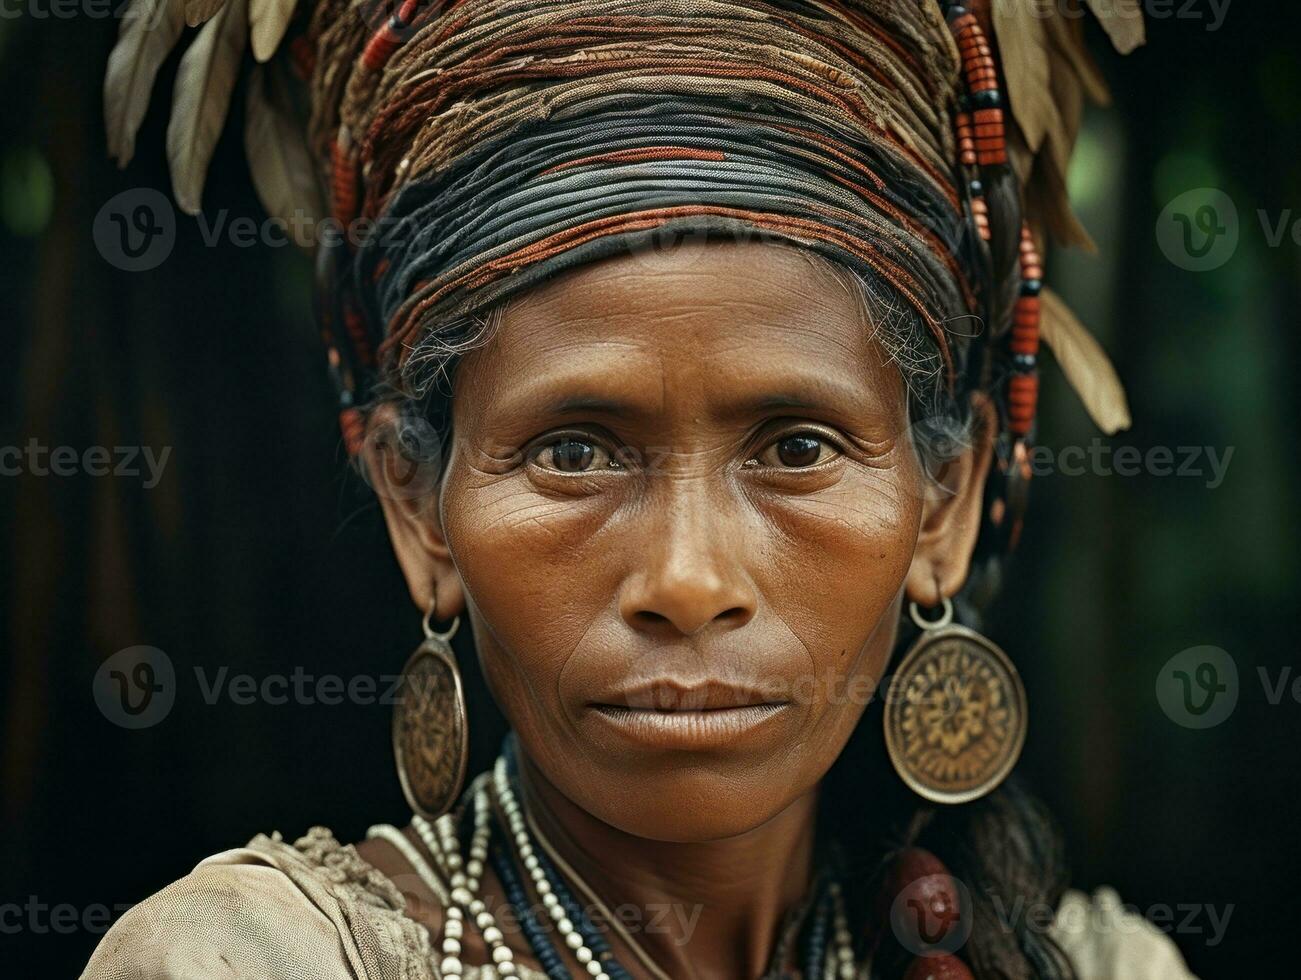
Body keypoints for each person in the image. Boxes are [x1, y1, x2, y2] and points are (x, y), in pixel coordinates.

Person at [88, 1, 1193, 976]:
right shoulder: (246, 961)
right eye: (573, 452)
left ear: (941, 506)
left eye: (796, 446)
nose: (687, 578)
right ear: (417, 510)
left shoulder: (1096, 966)